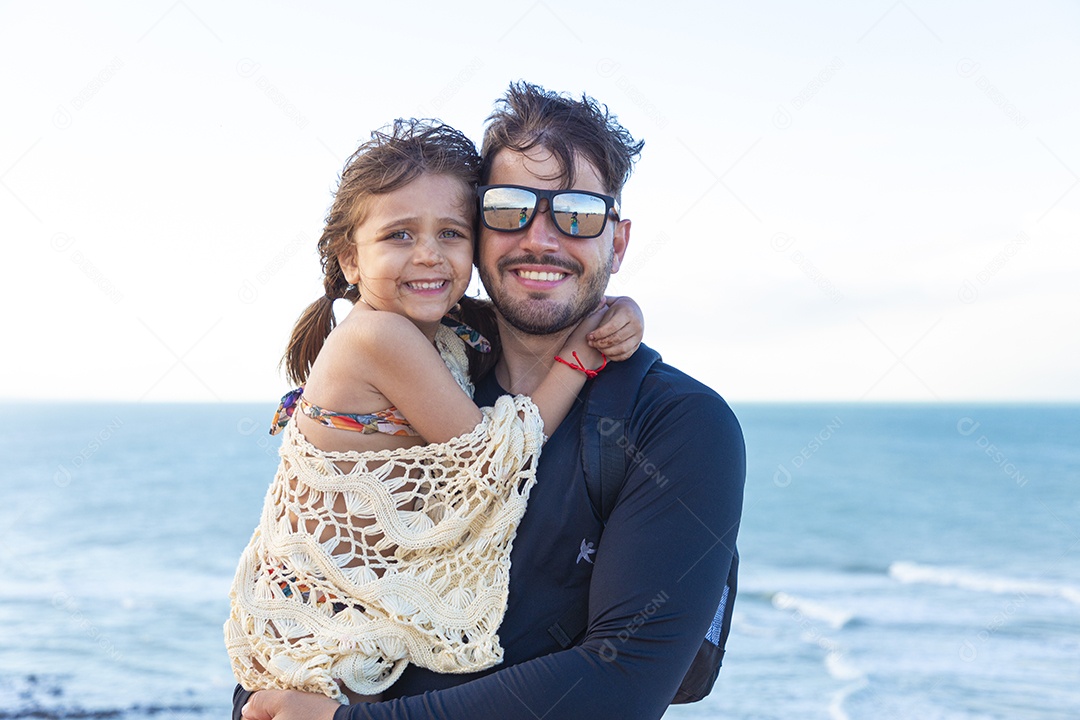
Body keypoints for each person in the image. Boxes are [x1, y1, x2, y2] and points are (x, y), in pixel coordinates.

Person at [237, 82, 745, 720]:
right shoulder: (430, 371)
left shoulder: (677, 423)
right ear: (481, 234)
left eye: (578, 214)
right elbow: (297, 602)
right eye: (509, 209)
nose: (541, 238)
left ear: (617, 243)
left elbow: (623, 683)